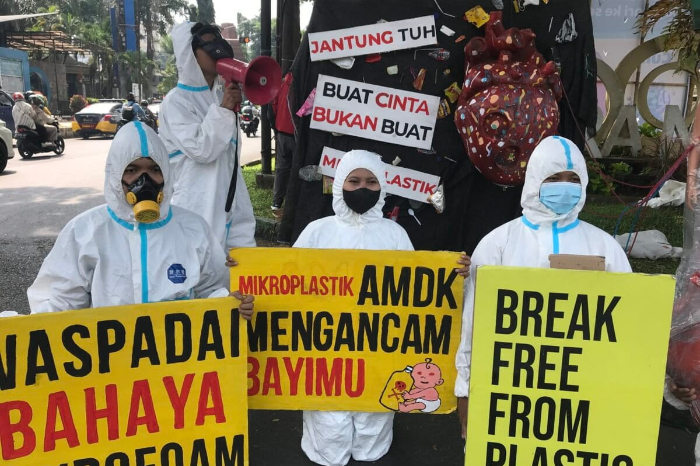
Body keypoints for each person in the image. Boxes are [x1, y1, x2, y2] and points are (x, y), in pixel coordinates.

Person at [454, 135, 632, 438]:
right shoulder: (498, 243)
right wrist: (465, 391)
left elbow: (626, 324)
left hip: (580, 393)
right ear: (535, 179)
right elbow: (473, 326)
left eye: (573, 179)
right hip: (509, 389)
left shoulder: (605, 247)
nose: (565, 186)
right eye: (553, 178)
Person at [27, 121, 254, 316]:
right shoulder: (85, 231)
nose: (144, 180)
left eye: (154, 170)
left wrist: (229, 302)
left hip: (177, 353)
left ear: (166, 173)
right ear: (116, 173)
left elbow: (212, 288)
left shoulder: (193, 229)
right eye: (132, 170)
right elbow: (60, 302)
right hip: (113, 352)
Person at [293, 150, 414, 466]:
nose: (363, 188)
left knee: (373, 411)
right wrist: (248, 271)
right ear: (339, 185)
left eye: (372, 182)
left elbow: (418, 291)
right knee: (328, 418)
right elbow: (285, 283)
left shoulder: (395, 235)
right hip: (324, 346)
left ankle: (370, 448)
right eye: (354, 181)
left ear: (383, 186)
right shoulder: (317, 232)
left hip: (378, 345)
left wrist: (451, 276)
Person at [159, 22, 255, 251]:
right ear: (189, 52)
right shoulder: (176, 101)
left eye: (218, 41)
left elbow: (230, 158)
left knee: (235, 265)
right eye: (208, 44)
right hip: (195, 204)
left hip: (230, 201)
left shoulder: (220, 96)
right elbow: (202, 149)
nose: (216, 49)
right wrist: (224, 110)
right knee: (198, 262)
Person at [270, 71, 295, 217]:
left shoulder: (281, 84)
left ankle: (276, 202)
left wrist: (276, 127)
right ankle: (293, 202)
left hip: (282, 134)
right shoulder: (305, 85)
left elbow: (273, 107)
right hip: (297, 135)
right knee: (297, 169)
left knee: (281, 168)